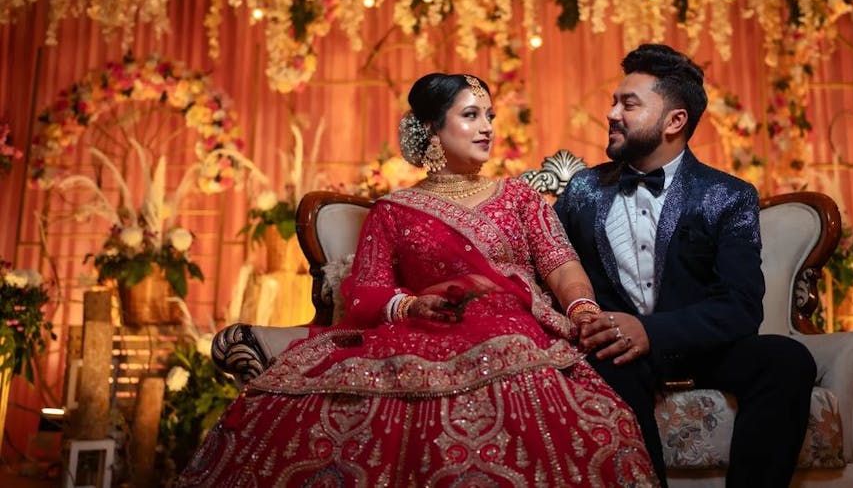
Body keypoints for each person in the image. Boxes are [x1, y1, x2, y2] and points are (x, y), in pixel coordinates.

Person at [177, 73, 656, 487]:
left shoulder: (517, 198)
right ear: (431, 129)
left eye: (489, 115)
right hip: (417, 334)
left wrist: (582, 310)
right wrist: (410, 306)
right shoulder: (393, 212)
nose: (487, 127)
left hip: (515, 332)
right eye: (471, 115)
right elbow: (363, 292)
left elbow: (560, 263)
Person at [554, 44, 816, 488]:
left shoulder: (728, 195)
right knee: (604, 364)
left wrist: (652, 332)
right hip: (614, 352)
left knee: (788, 360)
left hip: (701, 347)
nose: (611, 113)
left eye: (628, 104)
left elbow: (741, 305)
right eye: (614, 101)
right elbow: (549, 262)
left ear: (674, 121)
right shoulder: (583, 189)